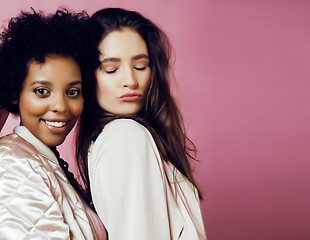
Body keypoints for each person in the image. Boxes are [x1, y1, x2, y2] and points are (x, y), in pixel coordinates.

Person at [76, 7, 207, 239]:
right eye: (111, 69)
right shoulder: (126, 136)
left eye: (140, 66)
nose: (130, 80)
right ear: (87, 76)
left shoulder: (114, 137)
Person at [0, 9, 106, 239]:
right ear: (15, 93)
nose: (60, 106)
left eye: (72, 91)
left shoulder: (42, 159)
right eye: (42, 91)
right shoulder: (12, 163)